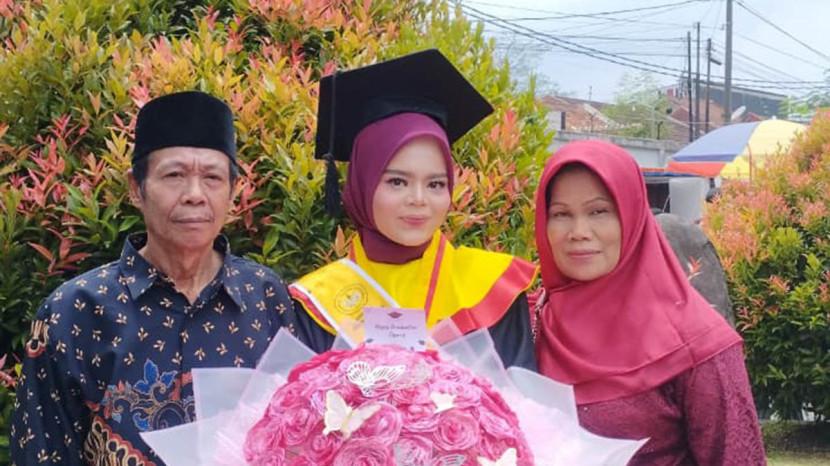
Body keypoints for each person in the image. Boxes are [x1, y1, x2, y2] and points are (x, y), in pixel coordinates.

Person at [10, 91, 304, 465]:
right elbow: (41, 451)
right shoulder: (75, 310)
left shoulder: (264, 295)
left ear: (233, 191)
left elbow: (296, 429)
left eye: (212, 177)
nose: (195, 195)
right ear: (137, 188)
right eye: (174, 175)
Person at [290, 49, 538, 369]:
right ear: (362, 185)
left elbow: (518, 395)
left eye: (435, 184)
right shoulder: (319, 299)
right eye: (397, 182)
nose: (419, 199)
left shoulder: (488, 287)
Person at [532, 140, 765, 465]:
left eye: (599, 211)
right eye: (561, 214)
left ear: (632, 216)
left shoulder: (698, 344)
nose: (578, 231)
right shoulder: (528, 324)